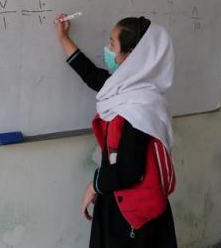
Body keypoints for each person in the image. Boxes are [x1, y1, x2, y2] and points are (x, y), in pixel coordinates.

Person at [55, 14, 178, 248]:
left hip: (132, 215)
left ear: (132, 56)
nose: (107, 49)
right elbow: (92, 75)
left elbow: (128, 170)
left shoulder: (138, 108)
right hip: (120, 202)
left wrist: (94, 186)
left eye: (112, 44)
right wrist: (64, 38)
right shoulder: (126, 90)